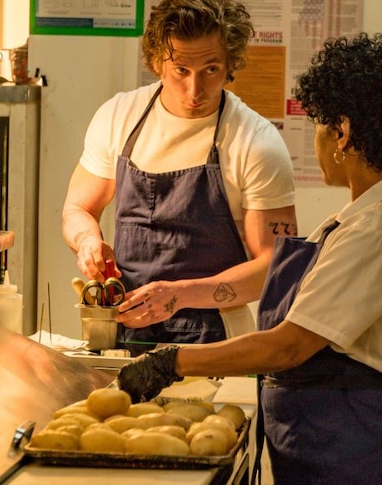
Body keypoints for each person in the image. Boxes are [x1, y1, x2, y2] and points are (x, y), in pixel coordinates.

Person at [117, 32, 382, 485]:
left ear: (343, 132)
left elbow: (288, 345)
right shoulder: (377, 210)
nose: (314, 138)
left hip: (362, 447)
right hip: (341, 438)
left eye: (317, 123)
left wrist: (171, 362)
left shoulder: (377, 229)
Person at [62, 0, 297, 351]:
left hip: (216, 341)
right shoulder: (119, 118)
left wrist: (179, 295)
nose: (195, 90)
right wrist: (86, 242)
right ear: (158, 61)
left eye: (211, 69)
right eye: (181, 70)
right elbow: (78, 209)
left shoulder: (256, 143)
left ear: (231, 63)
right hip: (124, 331)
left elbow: (274, 267)